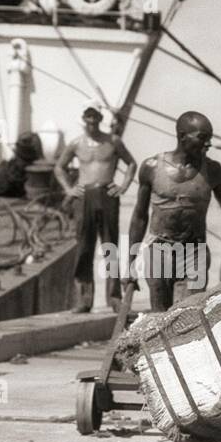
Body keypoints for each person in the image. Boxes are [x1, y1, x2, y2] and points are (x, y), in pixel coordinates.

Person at [128, 111, 221, 311]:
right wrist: (130, 264)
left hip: (194, 253)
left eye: (210, 138)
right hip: (158, 252)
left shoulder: (214, 171)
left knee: (189, 315)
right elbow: (139, 216)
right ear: (182, 136)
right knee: (159, 318)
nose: (208, 144)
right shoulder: (151, 167)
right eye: (202, 138)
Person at [53, 101, 136, 312]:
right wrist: (68, 190)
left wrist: (124, 186)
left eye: (95, 116)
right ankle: (84, 299)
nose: (91, 120)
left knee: (110, 246)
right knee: (84, 247)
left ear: (100, 119)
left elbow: (131, 163)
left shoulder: (113, 141)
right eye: (88, 116)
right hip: (84, 197)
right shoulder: (76, 144)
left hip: (107, 194)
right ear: (83, 119)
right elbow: (59, 168)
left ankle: (114, 297)